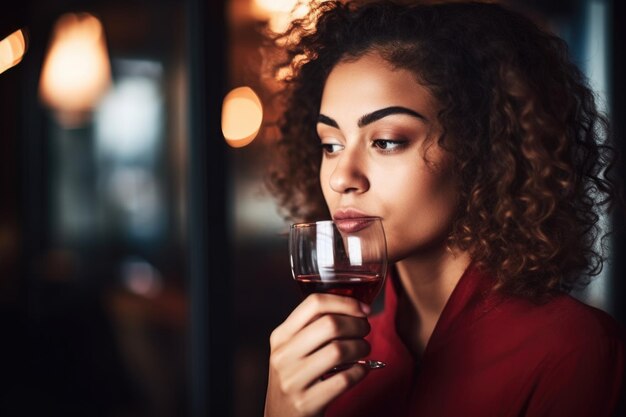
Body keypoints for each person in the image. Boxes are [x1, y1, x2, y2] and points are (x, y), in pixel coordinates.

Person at [263, 1, 626, 416]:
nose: (341, 177)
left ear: (483, 148)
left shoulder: (573, 350)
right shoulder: (323, 362)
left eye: (386, 141)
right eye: (331, 144)